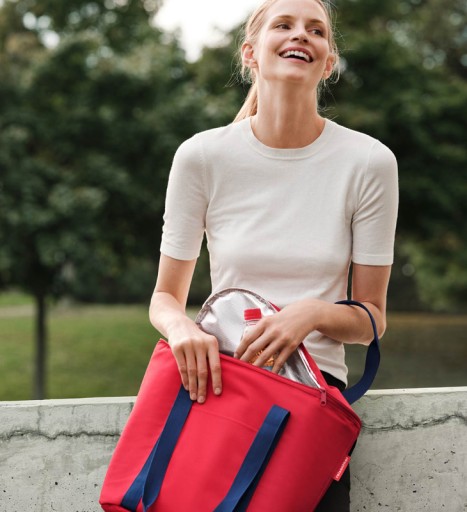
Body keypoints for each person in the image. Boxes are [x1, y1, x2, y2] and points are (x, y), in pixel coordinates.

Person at [149, 0, 399, 509]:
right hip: (223, 391)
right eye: (284, 25)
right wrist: (182, 330)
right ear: (251, 54)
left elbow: (372, 318)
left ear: (328, 63)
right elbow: (164, 299)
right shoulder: (202, 156)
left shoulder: (370, 162)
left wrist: (310, 314)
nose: (301, 35)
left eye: (316, 30)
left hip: (315, 401)